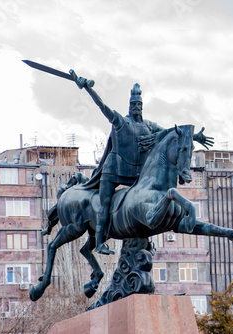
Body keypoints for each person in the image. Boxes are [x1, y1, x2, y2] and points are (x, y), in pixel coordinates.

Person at [74, 76, 213, 255]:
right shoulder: (121, 121)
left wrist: (194, 137)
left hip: (136, 172)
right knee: (105, 203)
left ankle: (143, 237)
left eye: (139, 105)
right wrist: (87, 88)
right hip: (114, 170)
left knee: (146, 201)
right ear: (130, 106)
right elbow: (103, 107)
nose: (137, 108)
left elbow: (171, 133)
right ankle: (100, 242)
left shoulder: (148, 126)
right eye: (134, 105)